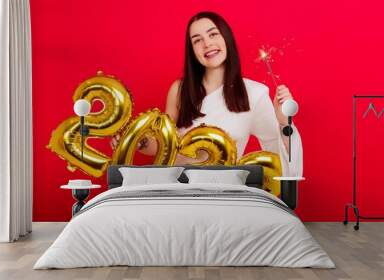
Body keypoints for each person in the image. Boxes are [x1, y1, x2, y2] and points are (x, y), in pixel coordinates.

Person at [111, 11, 302, 176]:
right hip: (176, 187)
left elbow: (280, 157)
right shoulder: (179, 90)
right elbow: (164, 145)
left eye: (213, 35)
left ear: (226, 38)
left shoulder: (255, 93)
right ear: (192, 50)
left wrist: (285, 122)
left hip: (226, 192)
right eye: (197, 40)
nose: (207, 44)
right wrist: (137, 141)